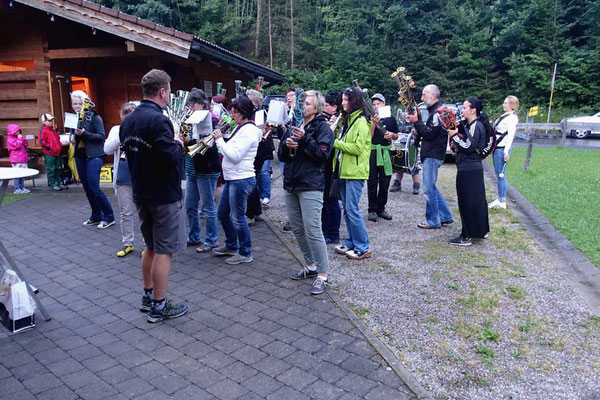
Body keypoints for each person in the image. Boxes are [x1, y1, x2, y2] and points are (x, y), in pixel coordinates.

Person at [120, 69, 188, 323]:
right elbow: (171, 156)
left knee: (150, 246)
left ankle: (148, 296)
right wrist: (179, 142)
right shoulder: (159, 121)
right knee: (164, 250)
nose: (170, 95)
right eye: (169, 91)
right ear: (162, 91)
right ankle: (159, 306)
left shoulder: (128, 120)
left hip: (141, 192)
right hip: (163, 195)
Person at [279, 90, 334, 295]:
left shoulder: (323, 127)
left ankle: (323, 274)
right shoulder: (295, 122)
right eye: (302, 103)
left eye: (308, 104)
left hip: (310, 184)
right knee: (297, 227)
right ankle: (310, 265)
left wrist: (303, 140)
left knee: (313, 229)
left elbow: (323, 155)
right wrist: (286, 144)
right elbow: (282, 155)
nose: (304, 107)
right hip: (291, 183)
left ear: (317, 107)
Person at [212, 97, 261, 264]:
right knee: (222, 213)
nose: (232, 114)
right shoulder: (240, 128)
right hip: (234, 178)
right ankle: (232, 244)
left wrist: (219, 139)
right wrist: (224, 137)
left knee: (238, 217)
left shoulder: (249, 131)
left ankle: (245, 252)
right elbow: (232, 148)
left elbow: (234, 155)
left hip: (241, 179)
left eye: (234, 112)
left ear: (242, 113)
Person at [333, 87, 372, 260]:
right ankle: (351, 241)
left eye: (345, 100)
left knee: (352, 209)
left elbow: (357, 148)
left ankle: (363, 246)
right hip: (344, 170)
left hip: (355, 172)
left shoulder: (361, 122)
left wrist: (335, 142)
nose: (342, 103)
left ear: (354, 101)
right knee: (347, 210)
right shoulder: (348, 120)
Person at [406, 84, 453, 229]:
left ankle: (433, 221)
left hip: (433, 154)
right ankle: (445, 216)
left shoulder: (438, 112)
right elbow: (429, 131)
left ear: (432, 95)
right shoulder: (436, 111)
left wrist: (416, 122)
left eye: (424, 95)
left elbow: (429, 134)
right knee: (431, 187)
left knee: (428, 189)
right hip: (433, 153)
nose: (422, 98)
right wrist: (418, 129)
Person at [448, 97, 490, 246]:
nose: (462, 110)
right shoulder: (472, 124)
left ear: (473, 110)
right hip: (473, 168)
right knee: (477, 201)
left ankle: (466, 236)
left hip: (468, 169)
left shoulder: (475, 125)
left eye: (465, 107)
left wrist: (453, 135)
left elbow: (468, 147)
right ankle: (480, 231)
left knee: (467, 202)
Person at [70, 90, 115, 229]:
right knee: (87, 188)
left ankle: (109, 216)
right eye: (74, 103)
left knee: (95, 187)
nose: (77, 106)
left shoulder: (95, 117)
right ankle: (96, 215)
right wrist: (72, 137)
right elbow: (73, 136)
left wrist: (85, 133)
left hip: (94, 155)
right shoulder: (73, 118)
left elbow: (101, 137)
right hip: (80, 155)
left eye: (79, 103)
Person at [183, 88, 220, 252]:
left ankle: (212, 240)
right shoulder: (189, 119)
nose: (190, 106)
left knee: (207, 206)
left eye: (193, 103)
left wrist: (190, 141)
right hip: (191, 168)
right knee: (190, 205)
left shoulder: (212, 120)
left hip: (207, 169)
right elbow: (186, 143)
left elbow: (210, 147)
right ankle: (194, 236)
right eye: (189, 103)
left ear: (202, 103)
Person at [104, 102, 138, 257]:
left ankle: (147, 244)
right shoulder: (117, 130)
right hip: (122, 177)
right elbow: (107, 149)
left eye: (132, 114)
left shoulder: (142, 129)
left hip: (140, 177)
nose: (128, 117)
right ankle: (127, 243)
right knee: (126, 213)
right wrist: (122, 134)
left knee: (144, 213)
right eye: (126, 115)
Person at [367, 93, 398, 222]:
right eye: (373, 104)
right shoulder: (369, 117)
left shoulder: (390, 118)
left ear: (383, 104)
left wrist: (391, 135)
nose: (376, 106)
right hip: (373, 151)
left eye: (378, 104)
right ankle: (372, 210)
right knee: (372, 181)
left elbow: (396, 136)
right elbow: (368, 136)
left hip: (386, 151)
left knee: (385, 182)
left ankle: (381, 208)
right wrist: (374, 123)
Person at [245, 89, 274, 225]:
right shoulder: (257, 112)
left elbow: (258, 132)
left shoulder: (259, 113)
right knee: (253, 180)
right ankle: (256, 212)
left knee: (251, 179)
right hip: (260, 149)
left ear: (254, 102)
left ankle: (250, 214)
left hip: (260, 149)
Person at [489, 96, 519, 210]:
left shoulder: (512, 118)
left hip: (502, 149)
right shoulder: (505, 116)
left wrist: (506, 151)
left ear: (512, 105)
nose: (503, 105)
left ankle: (502, 200)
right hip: (497, 148)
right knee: (498, 175)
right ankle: (499, 198)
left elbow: (510, 135)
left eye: (506, 103)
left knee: (501, 175)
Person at [322, 91, 342, 244]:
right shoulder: (325, 118)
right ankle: (324, 229)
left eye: (326, 105)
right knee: (324, 200)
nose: (323, 107)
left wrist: (332, 127)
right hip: (324, 165)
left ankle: (333, 233)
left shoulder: (339, 120)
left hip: (333, 165)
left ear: (335, 107)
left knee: (331, 200)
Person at [390, 109, 421, 194]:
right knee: (398, 163)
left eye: (408, 112)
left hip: (411, 146)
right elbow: (395, 133)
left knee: (414, 166)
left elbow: (419, 134)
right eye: (406, 112)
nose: (406, 114)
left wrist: (415, 135)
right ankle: (397, 183)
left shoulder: (415, 123)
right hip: (399, 145)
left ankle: (416, 185)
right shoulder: (400, 123)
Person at [39, 114, 67, 191]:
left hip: (56, 152)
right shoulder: (43, 130)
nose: (51, 122)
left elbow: (57, 139)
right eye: (49, 120)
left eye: (51, 120)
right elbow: (42, 142)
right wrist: (50, 149)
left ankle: (58, 183)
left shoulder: (53, 130)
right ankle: (53, 184)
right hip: (49, 153)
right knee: (51, 169)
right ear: (44, 121)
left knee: (57, 168)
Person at [6, 124, 30, 194]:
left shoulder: (18, 138)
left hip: (22, 158)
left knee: (22, 174)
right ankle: (16, 188)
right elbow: (17, 146)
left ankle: (22, 187)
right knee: (17, 175)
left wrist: (23, 139)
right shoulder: (10, 139)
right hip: (16, 160)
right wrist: (20, 139)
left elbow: (25, 144)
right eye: (16, 131)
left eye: (18, 131)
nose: (18, 132)